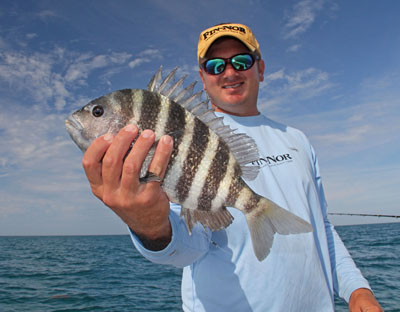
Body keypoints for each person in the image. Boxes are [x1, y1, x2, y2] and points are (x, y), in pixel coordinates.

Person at [82, 23, 383, 311]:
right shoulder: (174, 139)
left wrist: (357, 289)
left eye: (241, 61)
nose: (228, 72)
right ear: (203, 77)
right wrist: (149, 224)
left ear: (260, 69)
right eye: (215, 65)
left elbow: (322, 228)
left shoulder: (298, 140)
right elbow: (190, 247)